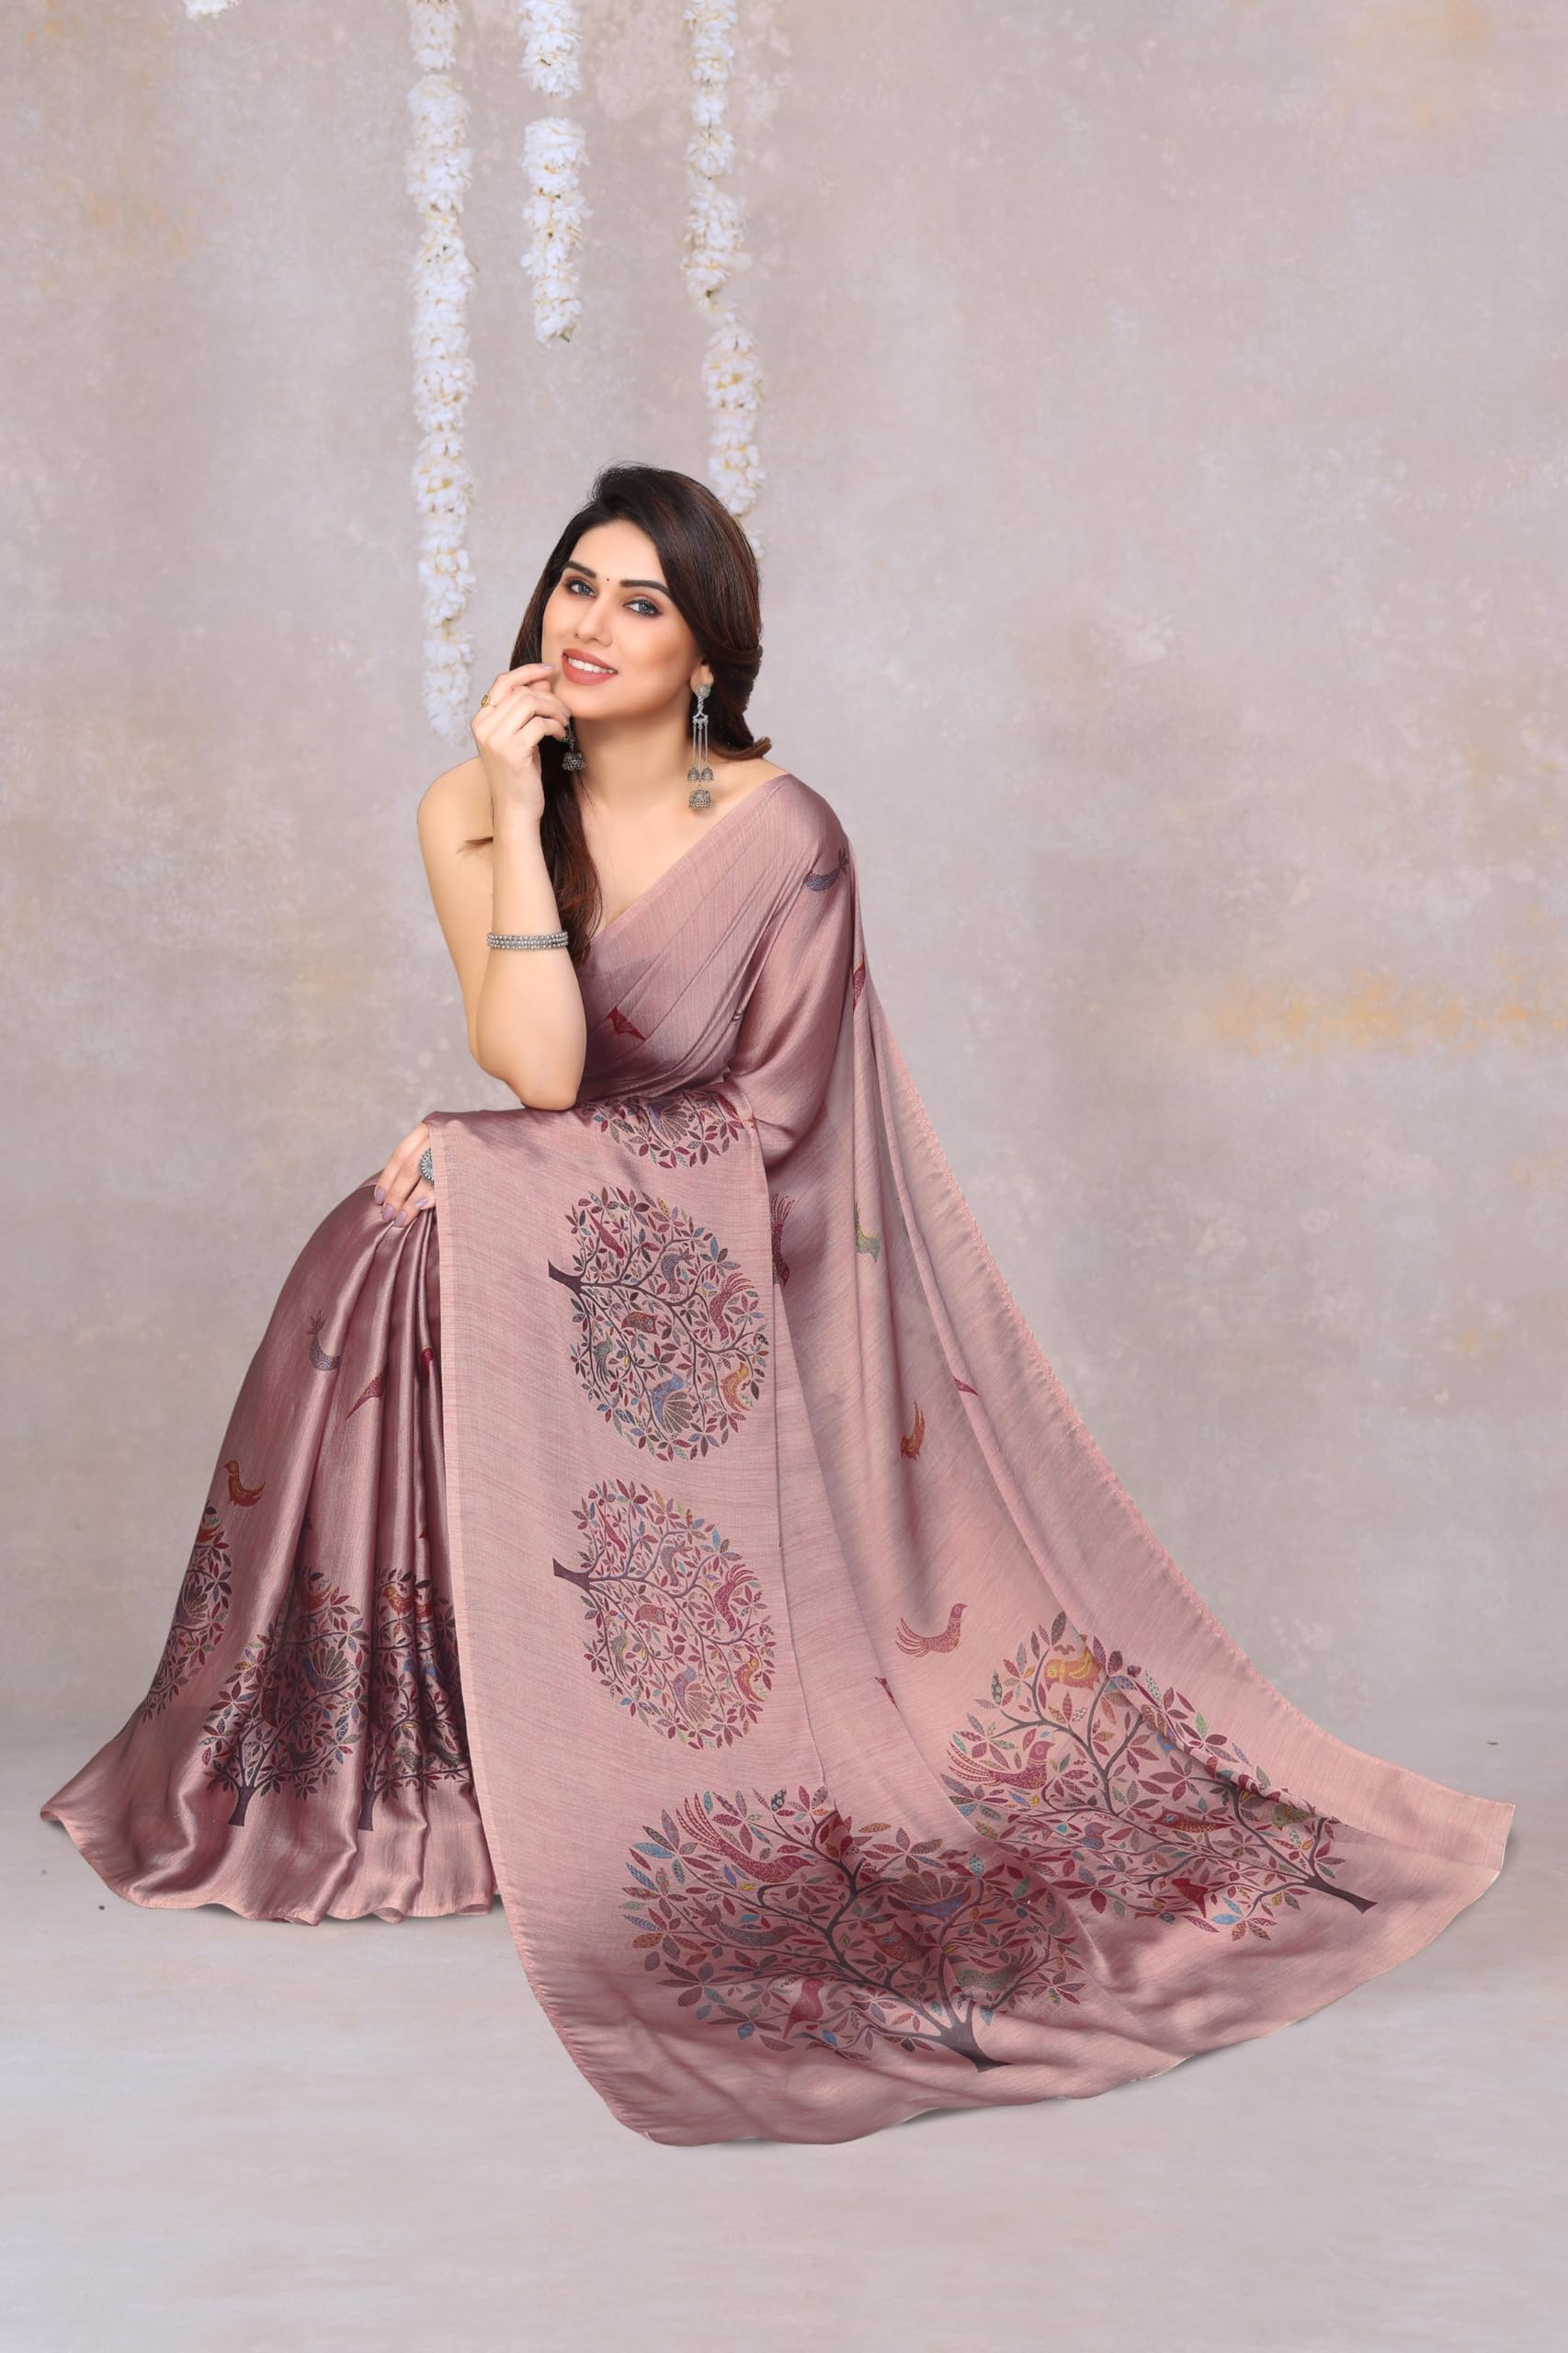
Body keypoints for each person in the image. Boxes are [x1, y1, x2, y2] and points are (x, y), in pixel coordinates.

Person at [40, 461, 1516, 2148]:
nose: (593, 626)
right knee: (396, 1242)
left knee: (462, 1187)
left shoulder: (787, 836)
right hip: (570, 1206)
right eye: (576, 587)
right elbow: (537, 1069)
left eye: (642, 604)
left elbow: (777, 1121)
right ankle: (419, 1759)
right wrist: (515, 810)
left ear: (707, 655)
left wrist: (502, 1166)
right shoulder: (467, 806)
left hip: (722, 1250)